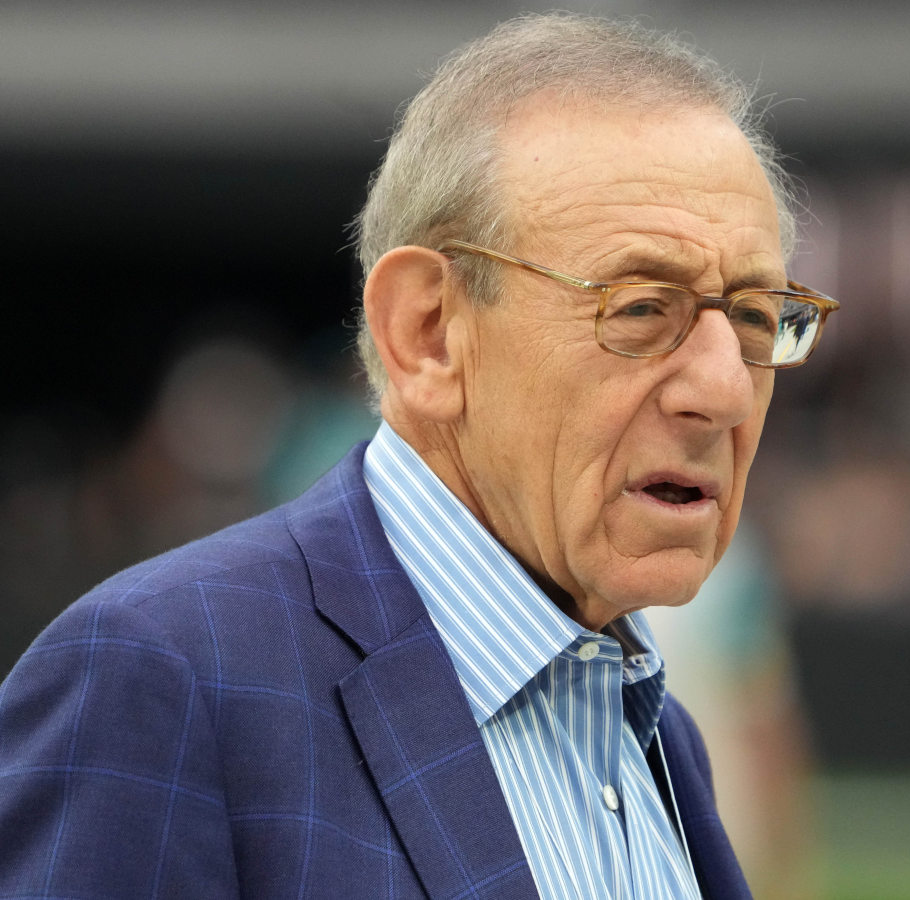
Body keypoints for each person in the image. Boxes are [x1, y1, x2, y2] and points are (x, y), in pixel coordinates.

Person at [0, 13, 837, 898]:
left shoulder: (660, 739)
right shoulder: (161, 679)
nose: (726, 390)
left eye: (752, 316)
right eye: (639, 307)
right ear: (429, 334)